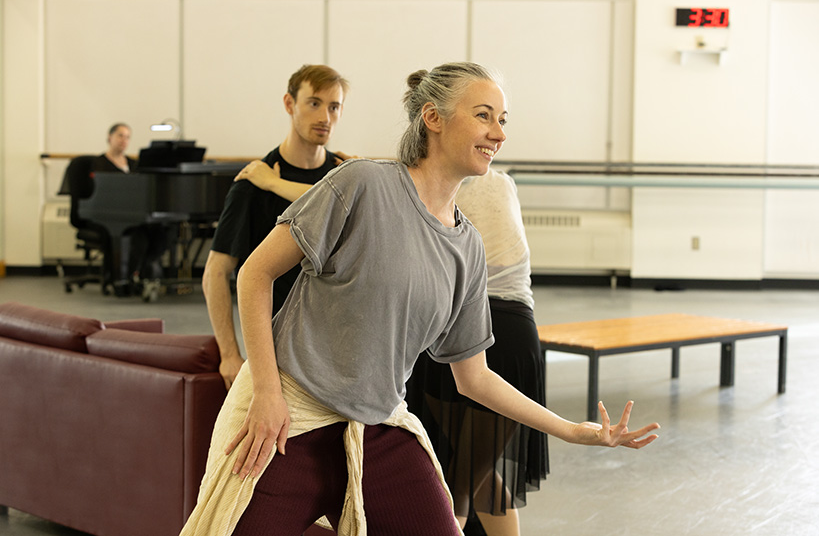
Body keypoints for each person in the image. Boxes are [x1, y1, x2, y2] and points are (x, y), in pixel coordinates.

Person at [179, 62, 659, 536]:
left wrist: (571, 430)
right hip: (289, 418)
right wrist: (265, 393)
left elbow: (474, 378)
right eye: (484, 115)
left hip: (378, 428)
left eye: (503, 121)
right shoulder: (362, 183)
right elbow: (253, 273)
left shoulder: (467, 246)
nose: (499, 134)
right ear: (433, 118)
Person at [407, 168, 546, 536]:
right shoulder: (502, 181)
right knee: (473, 474)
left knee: (461, 485)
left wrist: (272, 182)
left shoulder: (430, 184)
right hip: (494, 335)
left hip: (465, 333)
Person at [201, 64, 350, 390]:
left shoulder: (344, 174)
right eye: (314, 103)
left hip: (340, 343)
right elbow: (215, 271)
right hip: (278, 348)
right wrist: (229, 353)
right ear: (289, 104)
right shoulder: (251, 184)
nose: (325, 116)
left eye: (334, 106)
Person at [92, 123, 170, 293]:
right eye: (120, 135)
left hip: (136, 214)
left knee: (161, 234)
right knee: (138, 238)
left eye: (127, 137)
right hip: (109, 214)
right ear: (109, 137)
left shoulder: (135, 164)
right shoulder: (98, 163)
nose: (124, 140)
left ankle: (142, 274)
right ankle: (121, 280)